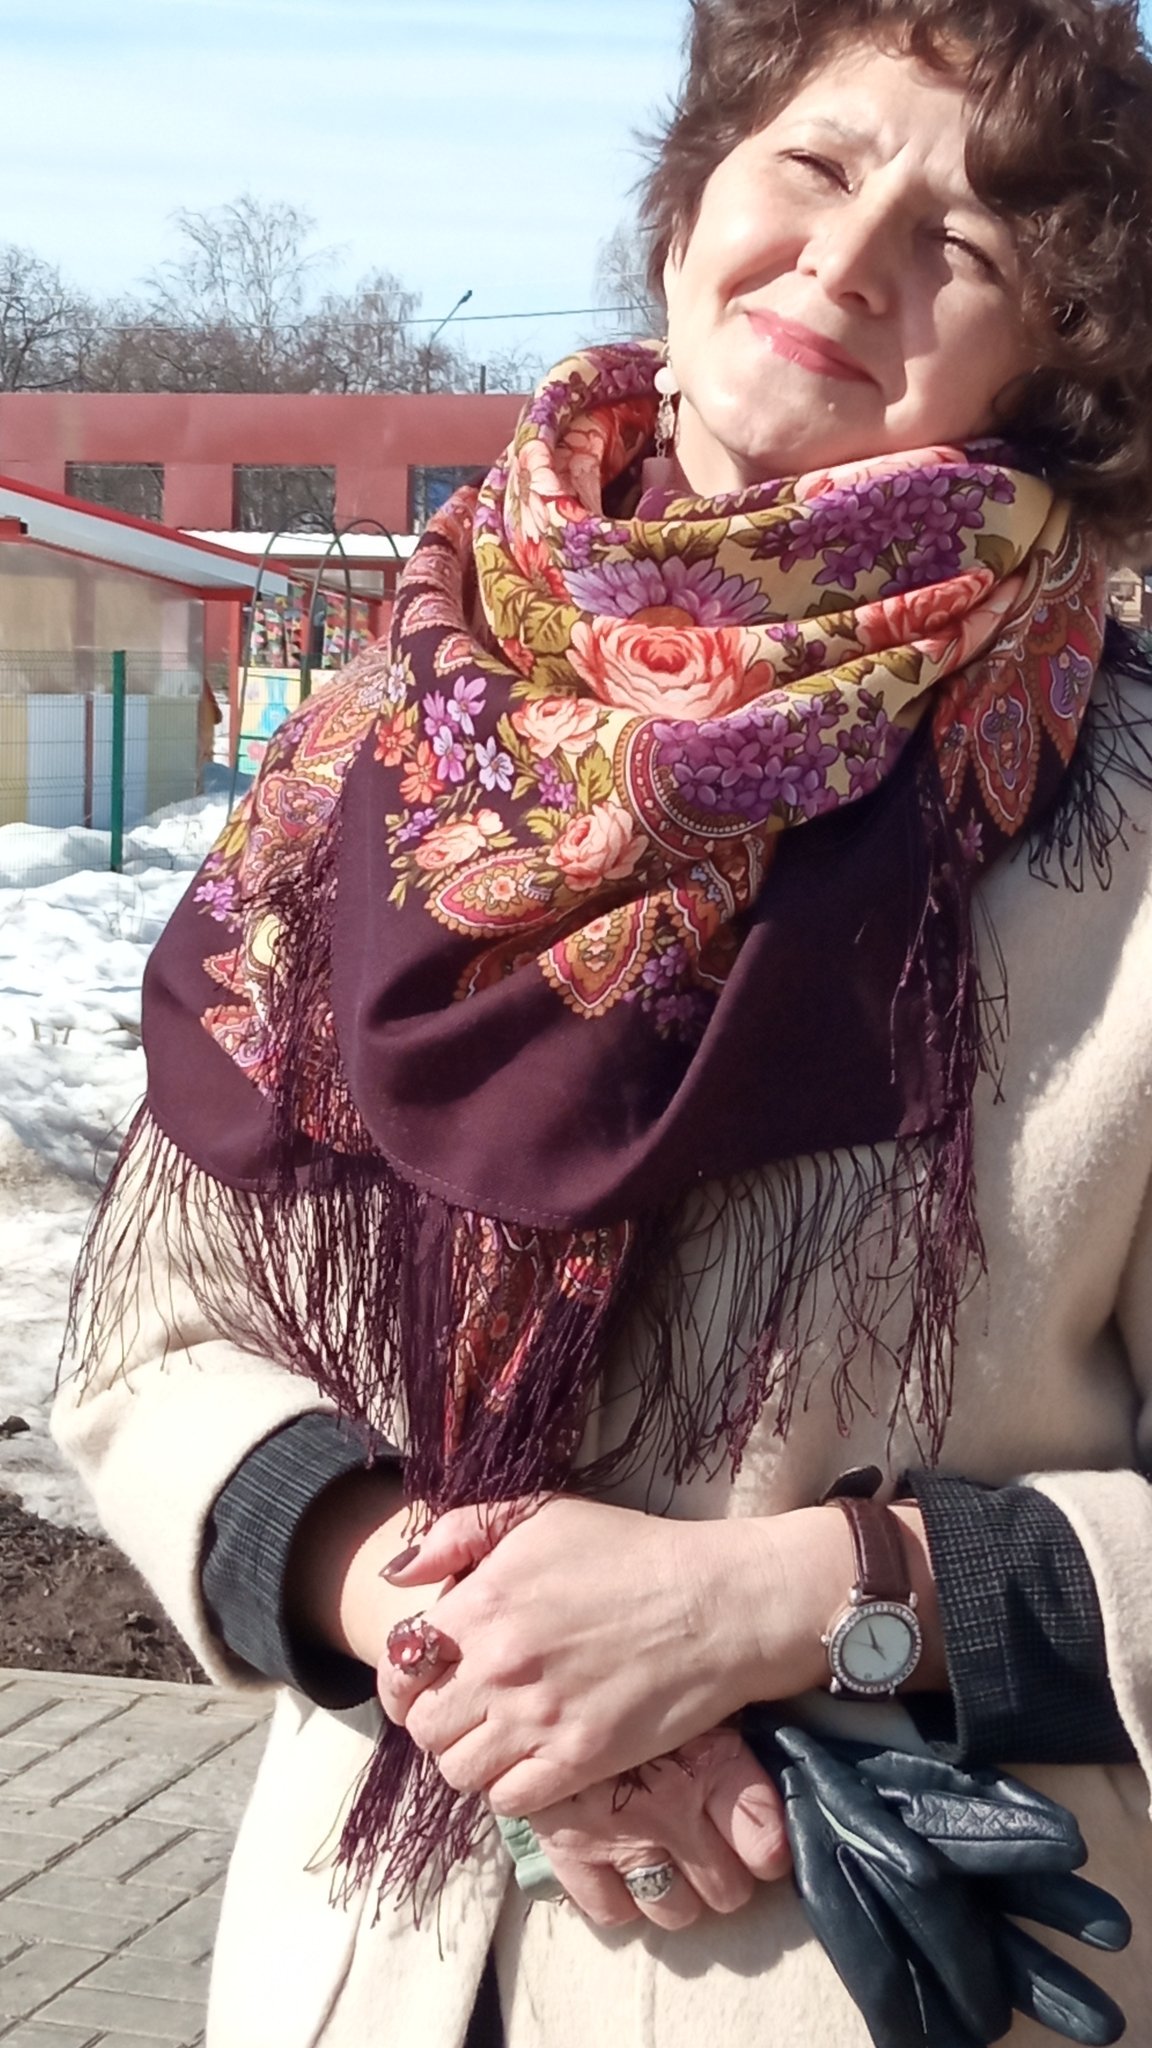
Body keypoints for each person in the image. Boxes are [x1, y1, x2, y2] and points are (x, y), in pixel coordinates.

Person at [53, 0, 1152, 2042]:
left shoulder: (1115, 818)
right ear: (686, 213)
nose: (851, 258)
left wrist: (782, 1604)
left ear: (1052, 362)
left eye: (968, 242)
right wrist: (431, 1619)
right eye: (816, 164)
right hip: (363, 1963)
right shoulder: (379, 746)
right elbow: (152, 1340)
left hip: (870, 1964)